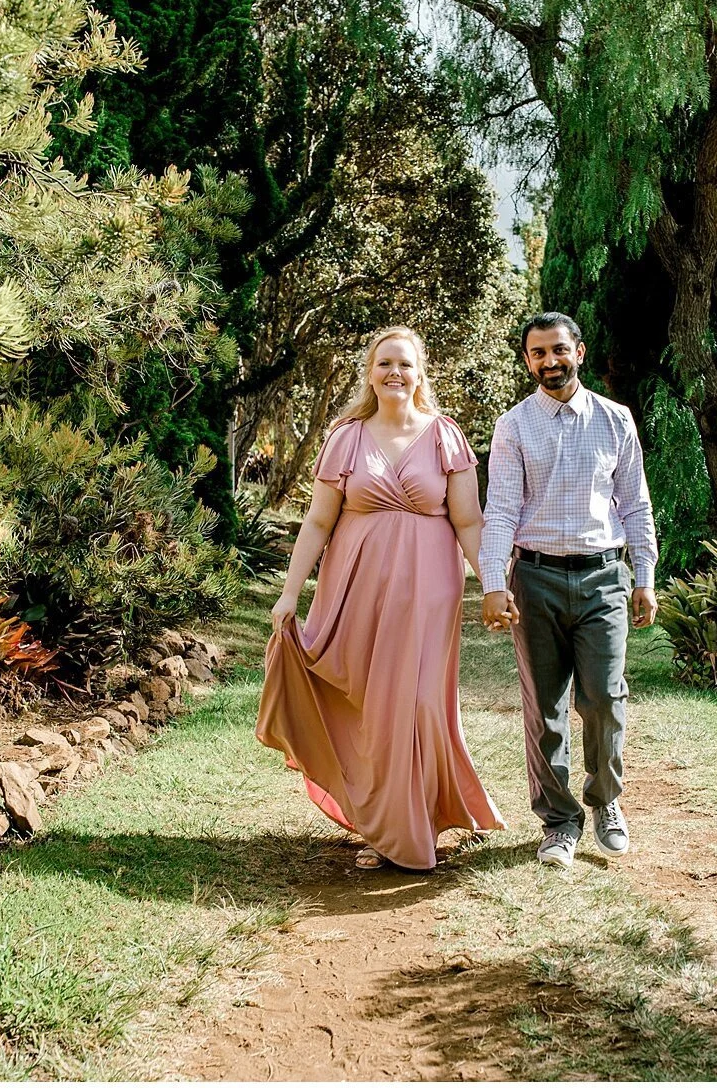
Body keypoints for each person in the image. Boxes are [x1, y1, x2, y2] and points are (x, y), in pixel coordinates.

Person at [256, 326, 505, 871]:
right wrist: (289, 593)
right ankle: (393, 820)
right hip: (357, 586)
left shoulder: (445, 436)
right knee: (371, 703)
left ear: (421, 374)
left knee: (416, 703)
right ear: (369, 372)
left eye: (406, 364)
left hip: (428, 589)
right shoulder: (346, 437)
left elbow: (467, 519)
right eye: (385, 363)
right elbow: (319, 519)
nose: (395, 373)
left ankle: (410, 825)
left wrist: (492, 584)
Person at [478, 311, 659, 869]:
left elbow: (634, 504)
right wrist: (491, 583)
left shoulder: (615, 420)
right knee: (544, 708)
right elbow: (502, 509)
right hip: (534, 579)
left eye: (559, 350)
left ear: (579, 352)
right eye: (537, 353)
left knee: (603, 697)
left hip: (605, 576)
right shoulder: (512, 426)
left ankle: (605, 803)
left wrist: (645, 577)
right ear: (527, 359)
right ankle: (559, 822)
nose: (549, 361)